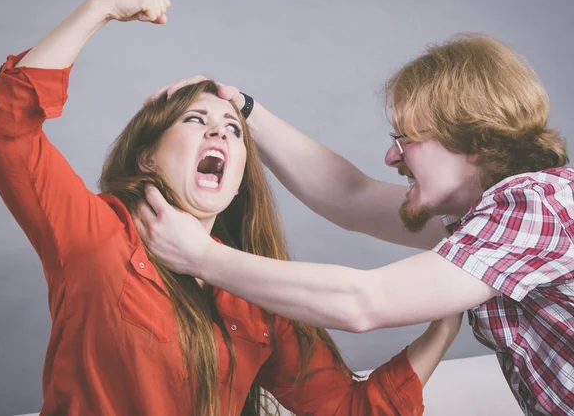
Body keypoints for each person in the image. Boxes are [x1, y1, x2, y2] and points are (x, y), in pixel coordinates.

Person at [0, 0, 465, 416]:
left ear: (238, 177)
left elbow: (351, 410)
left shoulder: (256, 292)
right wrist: (100, 8)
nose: (221, 135)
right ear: (147, 157)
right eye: (195, 121)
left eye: (233, 130)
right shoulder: (96, 234)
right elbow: (6, 125)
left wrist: (441, 329)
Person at [138, 34, 574, 415]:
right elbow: (350, 198)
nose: (392, 157)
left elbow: (365, 302)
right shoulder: (485, 220)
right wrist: (242, 107)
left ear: (474, 141)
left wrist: (201, 256)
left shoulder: (535, 206)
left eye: (405, 138)